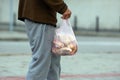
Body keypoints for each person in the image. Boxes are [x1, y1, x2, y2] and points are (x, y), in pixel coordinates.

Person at [18, 0, 71, 80]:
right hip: (40, 17)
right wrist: (63, 8)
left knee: (52, 61)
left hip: (40, 17)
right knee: (42, 60)